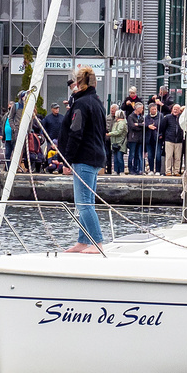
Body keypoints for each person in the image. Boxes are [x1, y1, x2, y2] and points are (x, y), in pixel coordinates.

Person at [61, 66, 108, 253]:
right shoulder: (97, 101)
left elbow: (76, 133)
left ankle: (97, 242)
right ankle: (83, 240)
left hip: (84, 158)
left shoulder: (81, 104)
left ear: (78, 83)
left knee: (84, 203)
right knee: (86, 202)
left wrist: (67, 160)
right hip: (96, 156)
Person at [161, 102, 184, 177]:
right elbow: (163, 128)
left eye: (177, 109)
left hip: (179, 140)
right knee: (169, 156)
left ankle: (176, 171)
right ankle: (168, 171)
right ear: (172, 110)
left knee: (178, 157)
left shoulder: (182, 118)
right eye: (174, 109)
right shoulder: (167, 117)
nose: (175, 110)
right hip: (169, 139)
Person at [108, 109, 128, 175]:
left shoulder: (122, 123)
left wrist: (109, 134)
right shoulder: (116, 123)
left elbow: (119, 132)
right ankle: (116, 170)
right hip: (115, 143)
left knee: (119, 158)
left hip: (120, 143)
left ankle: (121, 171)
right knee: (115, 158)